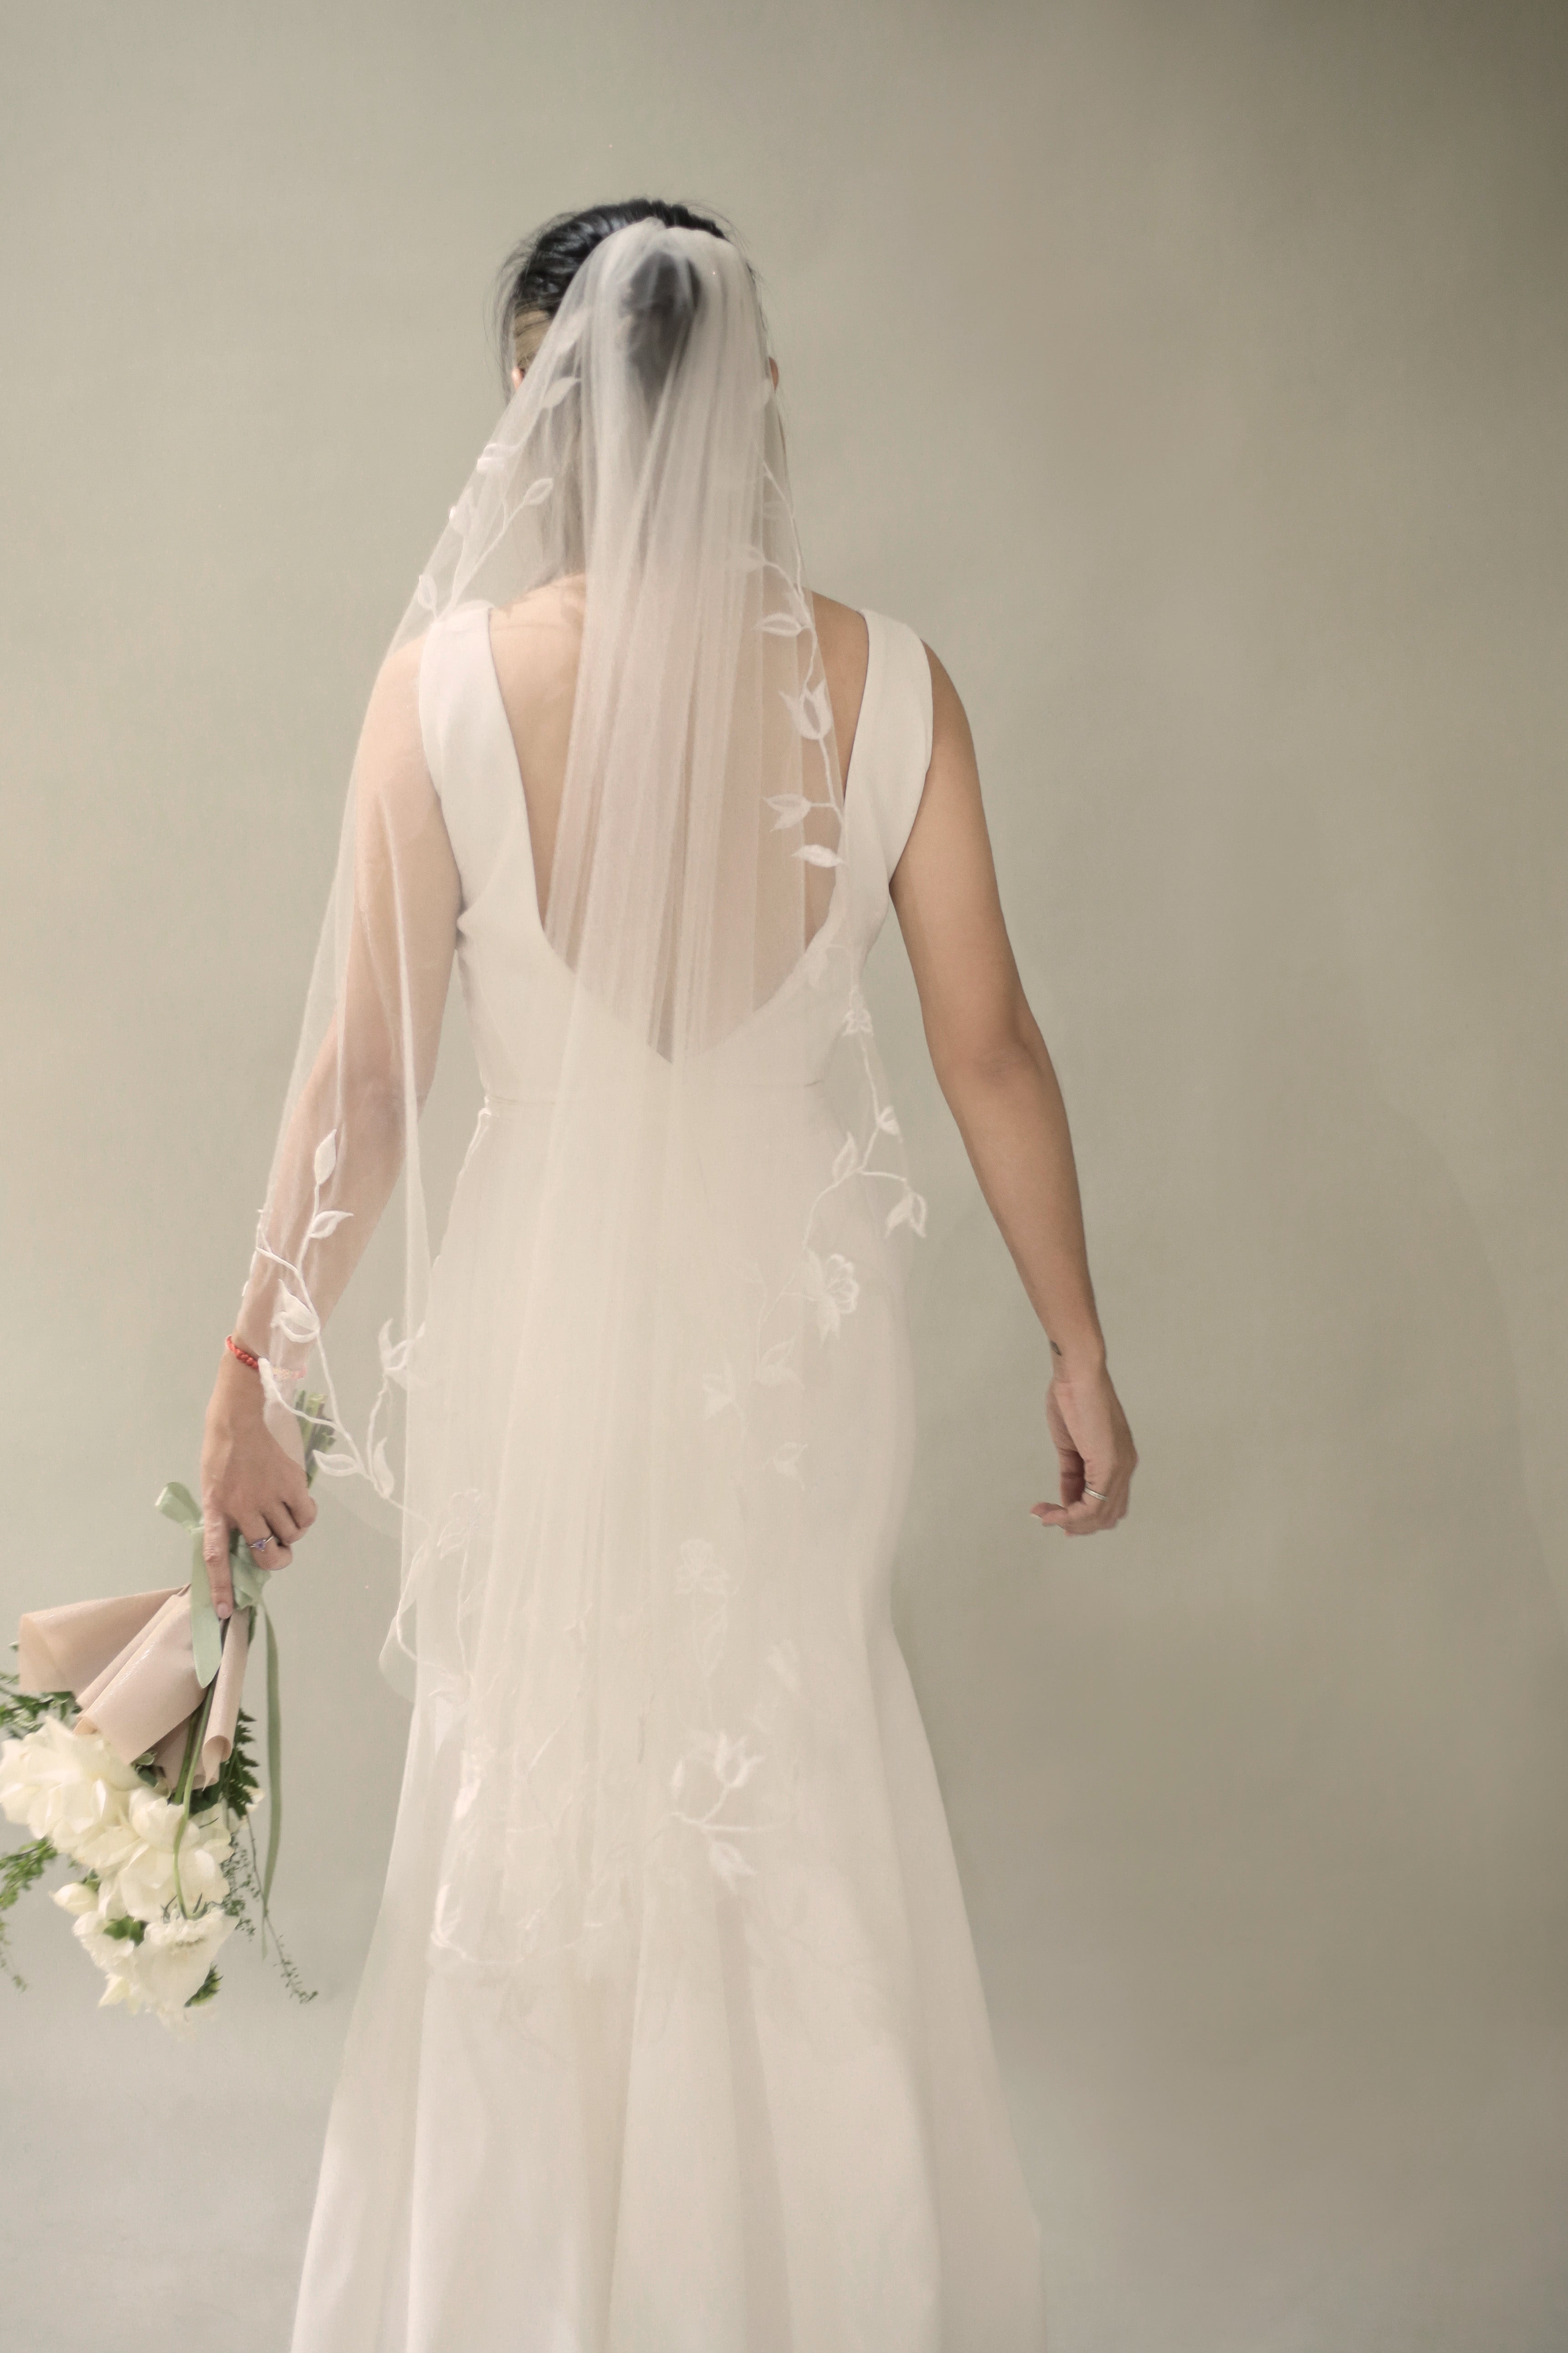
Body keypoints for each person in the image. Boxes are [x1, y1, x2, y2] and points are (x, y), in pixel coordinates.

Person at [199, 198, 1135, 2351]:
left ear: (535, 414)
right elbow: (990, 1046)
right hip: (792, 1341)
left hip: (535, 1330)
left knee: (537, 1772)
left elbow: (362, 1087)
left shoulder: (439, 691)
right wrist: (1079, 1343)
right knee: (786, 1760)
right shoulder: (891, 681)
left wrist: (257, 1357)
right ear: (754, 401)